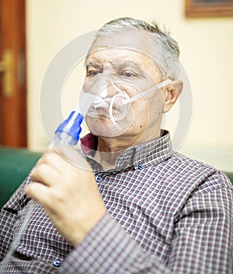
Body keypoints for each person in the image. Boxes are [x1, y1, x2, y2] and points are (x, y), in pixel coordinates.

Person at [0, 17, 232, 273]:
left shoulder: (202, 188)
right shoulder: (59, 161)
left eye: (128, 73)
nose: (103, 88)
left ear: (169, 95)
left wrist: (91, 228)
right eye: (94, 71)